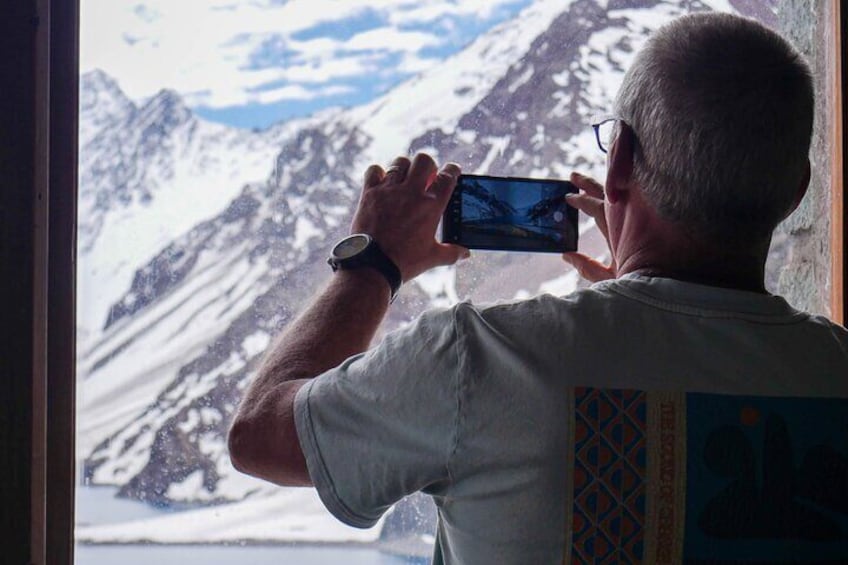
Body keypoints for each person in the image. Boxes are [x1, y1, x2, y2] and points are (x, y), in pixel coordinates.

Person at [228, 12, 848, 564]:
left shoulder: (483, 360)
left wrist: (373, 264)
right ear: (797, 190)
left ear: (620, 161)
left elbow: (261, 436)